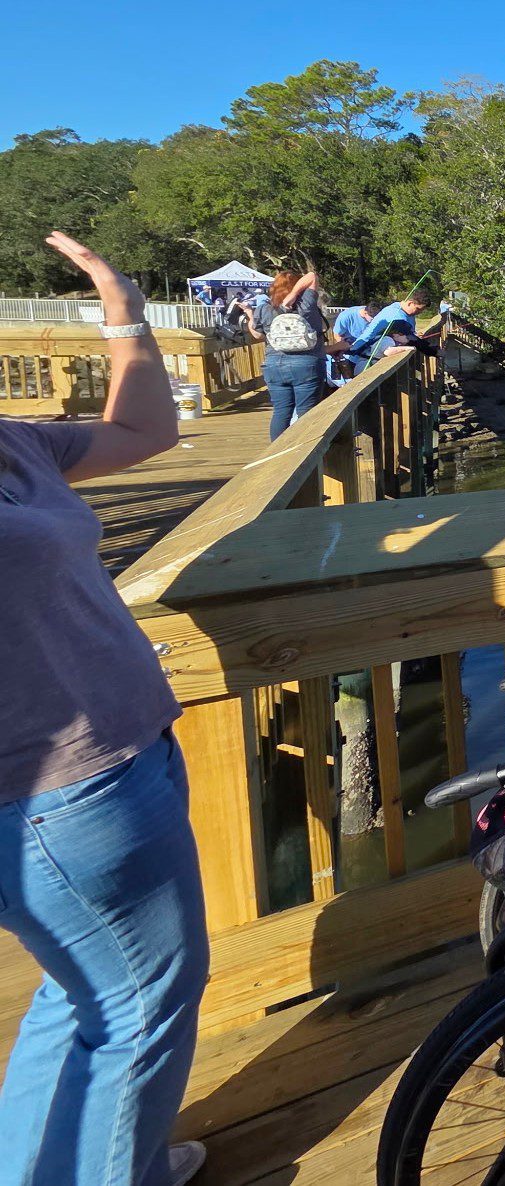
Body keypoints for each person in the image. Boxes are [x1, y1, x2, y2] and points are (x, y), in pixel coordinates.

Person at [0, 232, 208, 1186]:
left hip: (124, 754)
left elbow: (143, 436)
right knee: (138, 1009)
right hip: (53, 796)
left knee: (87, 996)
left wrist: (122, 310)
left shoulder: (14, 443)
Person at [245, 269, 328, 441]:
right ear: (297, 285)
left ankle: (277, 456)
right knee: (306, 413)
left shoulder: (265, 309)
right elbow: (312, 276)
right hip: (307, 364)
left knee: (281, 412)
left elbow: (259, 335)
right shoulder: (306, 303)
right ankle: (303, 452)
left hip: (274, 365)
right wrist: (293, 295)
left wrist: (249, 317)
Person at [345, 290, 430, 376]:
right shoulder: (397, 316)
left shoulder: (403, 310)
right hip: (361, 359)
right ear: (410, 303)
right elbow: (405, 339)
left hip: (375, 359)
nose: (419, 312)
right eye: (418, 309)